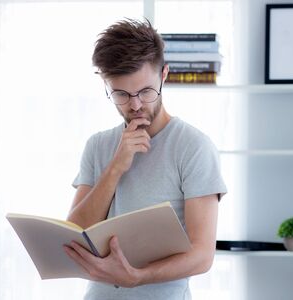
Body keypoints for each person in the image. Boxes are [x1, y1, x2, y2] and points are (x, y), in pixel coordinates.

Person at [63, 18, 227, 299]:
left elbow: (202, 255)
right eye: (121, 95)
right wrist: (116, 167)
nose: (135, 105)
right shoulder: (98, 145)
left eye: (146, 91)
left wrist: (137, 278)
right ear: (107, 86)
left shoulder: (194, 147)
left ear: (164, 75)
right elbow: (76, 234)